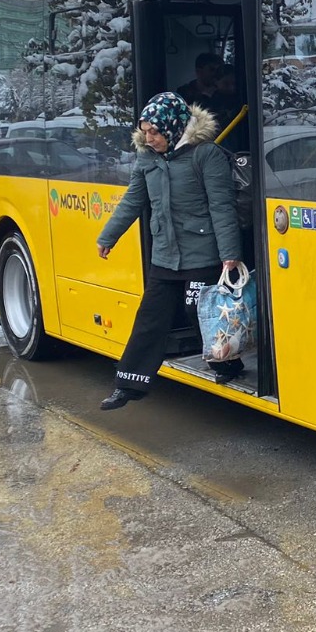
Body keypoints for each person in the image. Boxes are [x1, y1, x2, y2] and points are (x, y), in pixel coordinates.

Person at [95, 92, 243, 410]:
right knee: (151, 316)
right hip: (165, 252)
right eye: (145, 131)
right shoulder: (147, 159)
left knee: (198, 312)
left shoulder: (206, 155)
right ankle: (128, 385)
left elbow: (222, 206)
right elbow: (133, 200)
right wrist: (108, 237)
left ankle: (226, 363)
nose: (149, 139)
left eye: (155, 132)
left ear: (173, 127)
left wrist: (230, 253)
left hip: (202, 250)